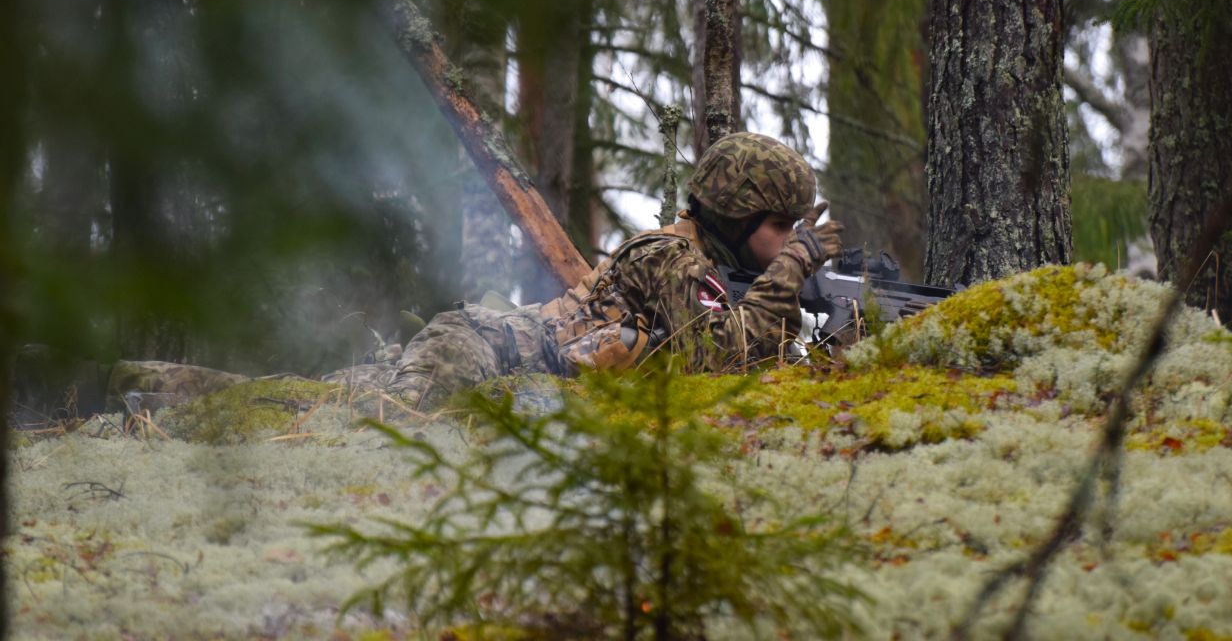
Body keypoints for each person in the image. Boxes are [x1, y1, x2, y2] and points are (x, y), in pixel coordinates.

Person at [108, 132, 843, 409]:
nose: (785, 243)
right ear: (734, 215)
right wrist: (802, 264)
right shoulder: (668, 257)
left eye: (792, 233)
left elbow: (736, 356)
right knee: (365, 419)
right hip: (476, 347)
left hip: (491, 371)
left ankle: (133, 389)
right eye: (779, 228)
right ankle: (125, 390)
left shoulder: (701, 274)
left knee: (304, 399)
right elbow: (726, 350)